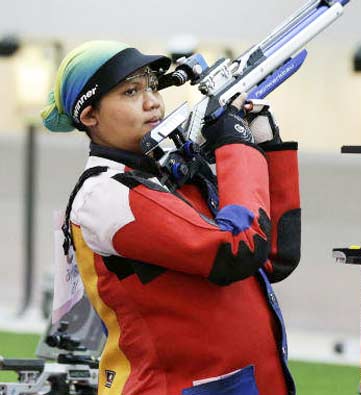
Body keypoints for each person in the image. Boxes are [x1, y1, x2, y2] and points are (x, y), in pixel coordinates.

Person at [41, 40, 301, 395]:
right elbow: (238, 249)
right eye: (131, 92)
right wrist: (235, 146)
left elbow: (273, 255)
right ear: (90, 116)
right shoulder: (104, 194)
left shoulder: (167, 175)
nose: (152, 101)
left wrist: (263, 143)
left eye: (152, 86)